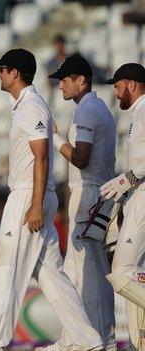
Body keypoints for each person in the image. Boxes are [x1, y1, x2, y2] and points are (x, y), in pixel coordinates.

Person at [0, 49, 103, 351]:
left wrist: (33, 205)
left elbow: (41, 157)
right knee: (51, 276)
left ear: (15, 73)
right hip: (33, 194)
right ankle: (86, 339)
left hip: (27, 195)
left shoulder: (31, 106)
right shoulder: (24, 106)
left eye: (3, 69)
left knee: (7, 274)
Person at [48, 54, 117, 350]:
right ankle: (80, 338)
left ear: (81, 81)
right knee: (82, 271)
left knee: (89, 273)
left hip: (89, 192)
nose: (61, 85)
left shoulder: (88, 110)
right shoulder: (97, 107)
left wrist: (55, 139)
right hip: (95, 192)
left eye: (65, 79)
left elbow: (81, 158)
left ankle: (97, 340)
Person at [101, 63, 145, 350]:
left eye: (118, 87)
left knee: (122, 272)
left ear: (131, 84)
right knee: (136, 272)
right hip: (136, 195)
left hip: (143, 195)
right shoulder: (135, 113)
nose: (116, 94)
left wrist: (127, 178)